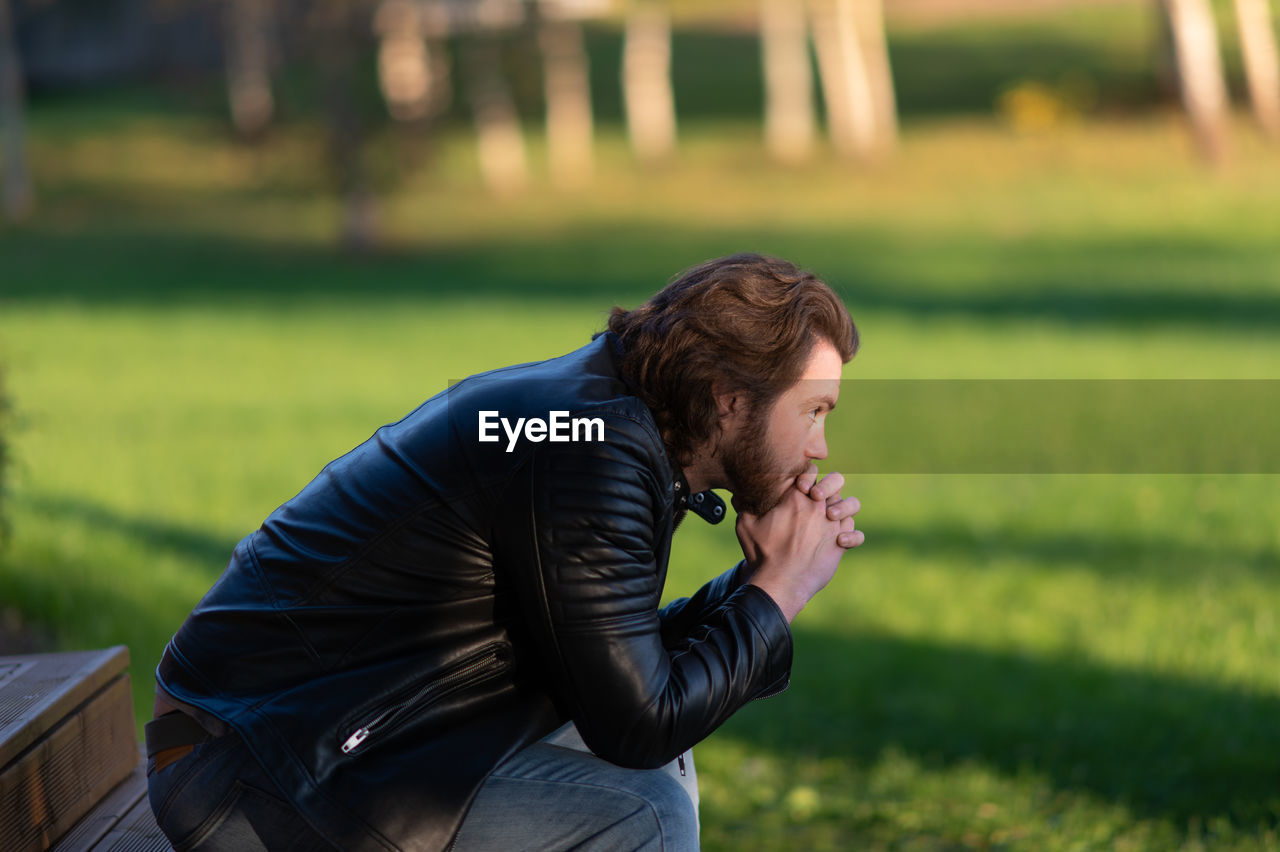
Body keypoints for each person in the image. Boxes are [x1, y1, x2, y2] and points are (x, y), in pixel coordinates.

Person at [145, 253, 864, 851]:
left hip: (281, 738)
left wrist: (758, 585)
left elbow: (616, 670)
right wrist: (780, 592)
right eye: (813, 411)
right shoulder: (592, 452)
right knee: (642, 811)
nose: (819, 448)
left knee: (652, 768)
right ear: (730, 399)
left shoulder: (595, 427)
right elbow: (641, 721)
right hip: (256, 770)